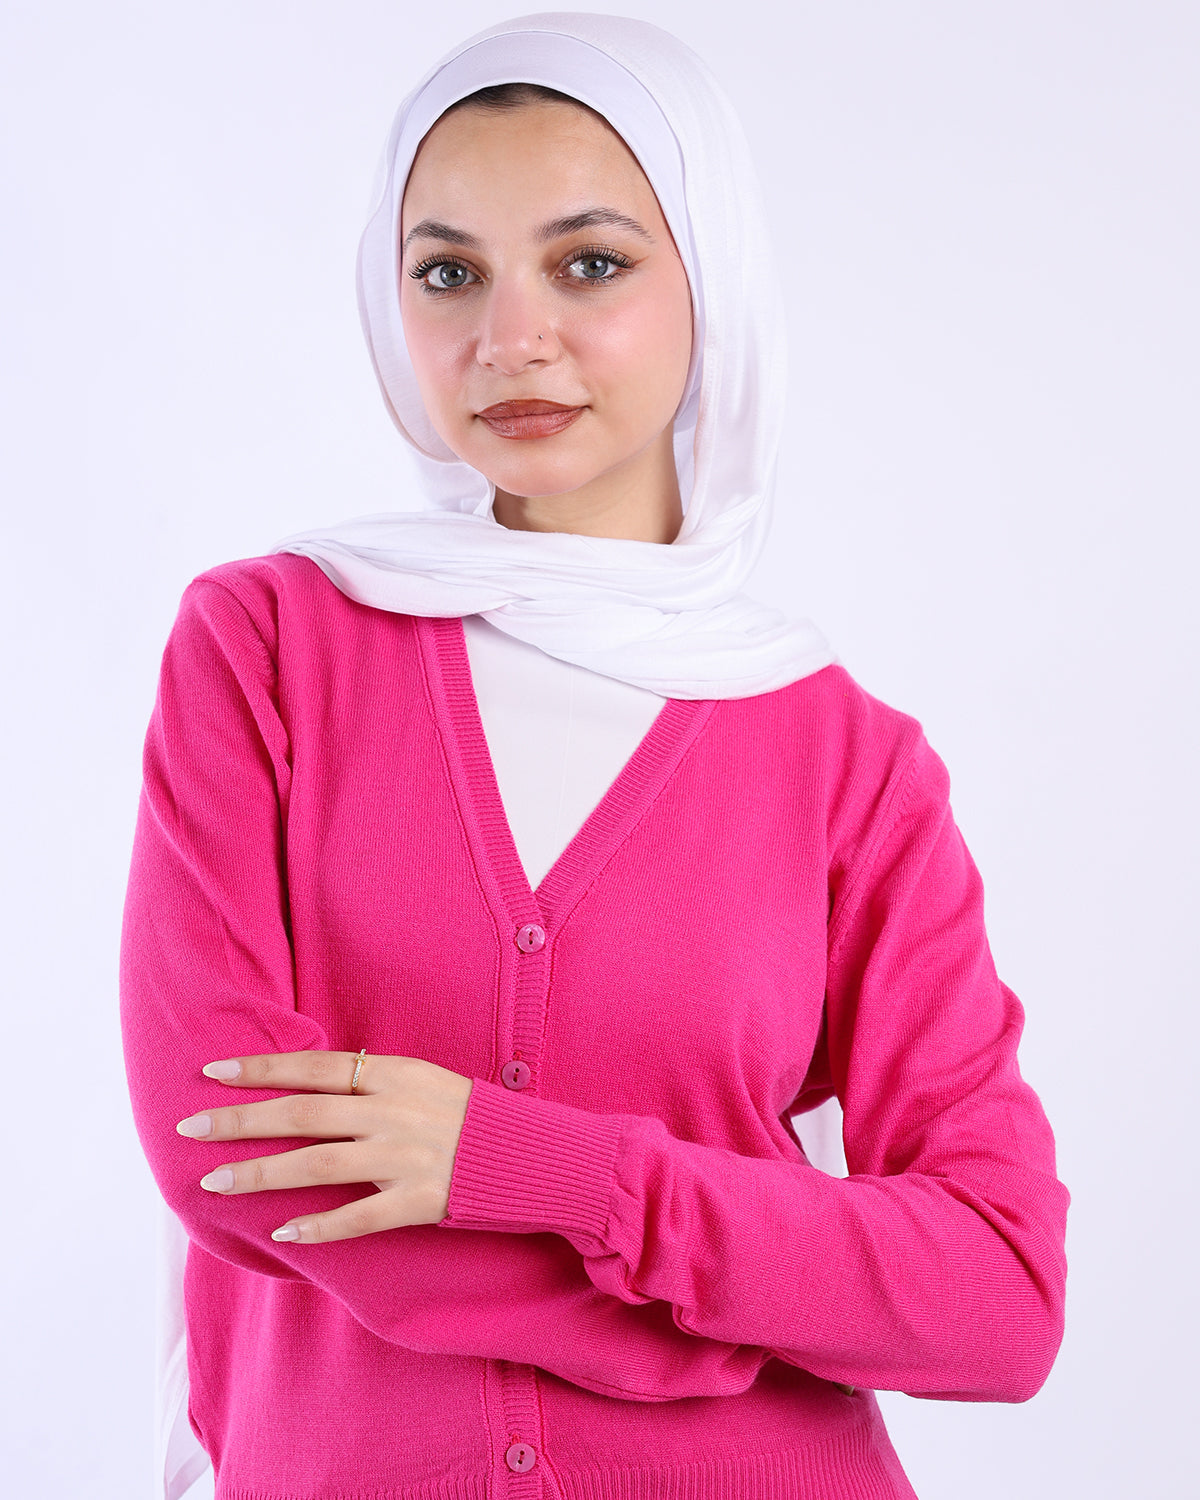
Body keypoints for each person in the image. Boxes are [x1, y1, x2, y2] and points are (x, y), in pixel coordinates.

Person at [119, 13, 1070, 1500]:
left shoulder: (845, 760)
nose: (510, 337)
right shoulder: (270, 649)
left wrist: (538, 1170)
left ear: (716, 282)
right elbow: (237, 1158)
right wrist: (743, 1316)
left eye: (591, 263)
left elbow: (998, 1297)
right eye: (449, 273)